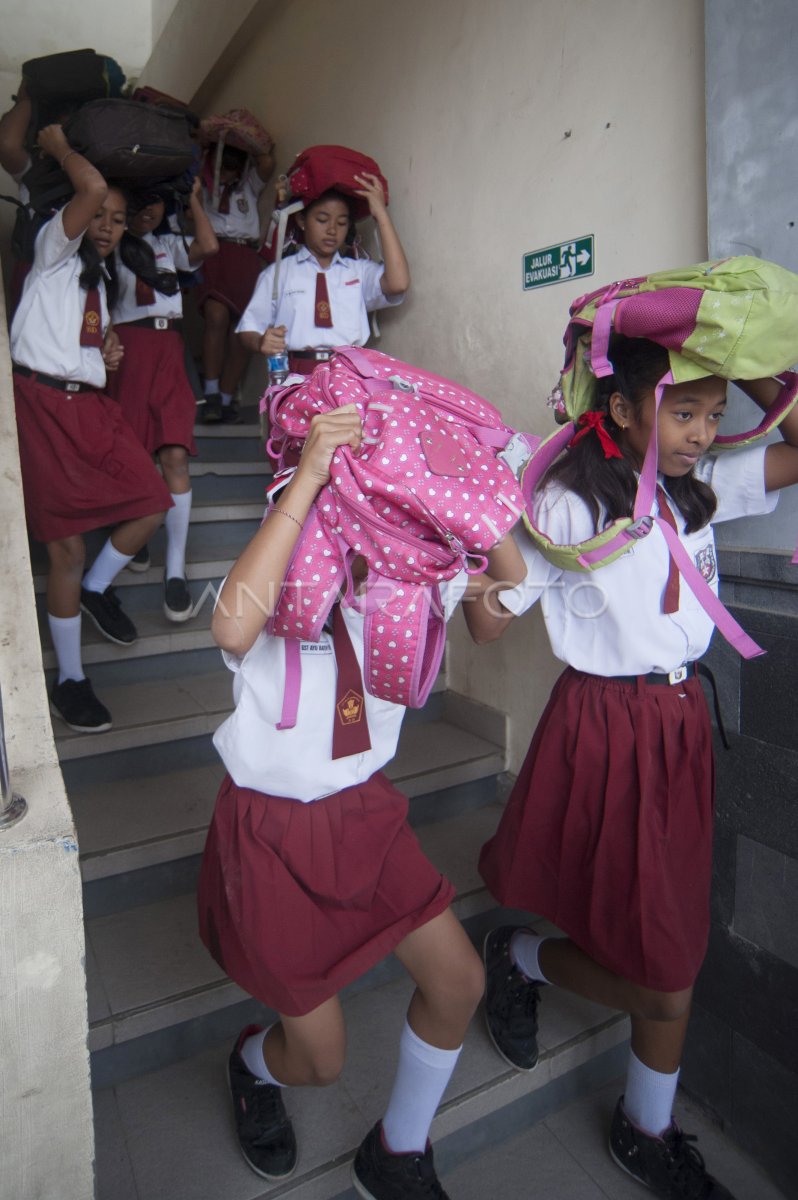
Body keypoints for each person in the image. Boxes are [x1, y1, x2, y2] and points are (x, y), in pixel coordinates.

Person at [468, 333, 798, 1200]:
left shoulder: (701, 487)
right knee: (666, 968)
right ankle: (637, 1119)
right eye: (683, 411)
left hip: (680, 723)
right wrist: (487, 526)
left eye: (714, 414)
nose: (701, 432)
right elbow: (488, 625)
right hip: (606, 723)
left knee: (659, 928)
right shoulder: (570, 502)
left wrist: (744, 353)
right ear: (619, 408)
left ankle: (526, 962)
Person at [196, 404, 520, 1199]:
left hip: (364, 813)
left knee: (459, 982)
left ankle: (398, 1151)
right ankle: (252, 1064)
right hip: (269, 829)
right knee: (320, 1060)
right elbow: (231, 632)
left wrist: (482, 495)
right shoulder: (290, 554)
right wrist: (308, 480)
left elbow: (497, 609)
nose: (386, 509)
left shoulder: (421, 571)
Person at [10, 124, 172, 733]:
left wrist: (103, 352)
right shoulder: (54, 250)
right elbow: (92, 186)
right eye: (99, 215)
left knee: (151, 503)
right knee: (67, 550)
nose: (106, 225)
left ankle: (98, 589)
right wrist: (57, 147)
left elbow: (76, 338)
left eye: (118, 219)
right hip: (42, 407)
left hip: (90, 409)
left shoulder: (99, 281)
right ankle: (71, 680)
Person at [106, 178, 218, 620]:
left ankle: (175, 569)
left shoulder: (168, 245)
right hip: (127, 350)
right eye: (140, 201)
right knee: (131, 451)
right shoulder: (109, 245)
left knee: (175, 454)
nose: (147, 210)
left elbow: (208, 246)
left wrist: (192, 199)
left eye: (156, 201)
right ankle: (133, 531)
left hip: (168, 349)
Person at [236, 173, 410, 378]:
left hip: (350, 373)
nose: (332, 230)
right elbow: (248, 328)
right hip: (296, 373)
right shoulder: (278, 274)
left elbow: (398, 284)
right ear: (302, 220)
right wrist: (260, 341)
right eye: (322, 220)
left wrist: (381, 215)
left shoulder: (358, 272)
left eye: (342, 223)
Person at [196, 140, 274, 422]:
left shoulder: (247, 186)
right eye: (224, 166)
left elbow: (266, 163)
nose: (228, 173)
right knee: (215, 316)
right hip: (215, 251)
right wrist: (209, 143)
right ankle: (211, 392)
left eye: (234, 167)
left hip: (244, 254)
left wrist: (242, 135)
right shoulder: (203, 187)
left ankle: (227, 398)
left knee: (242, 331)